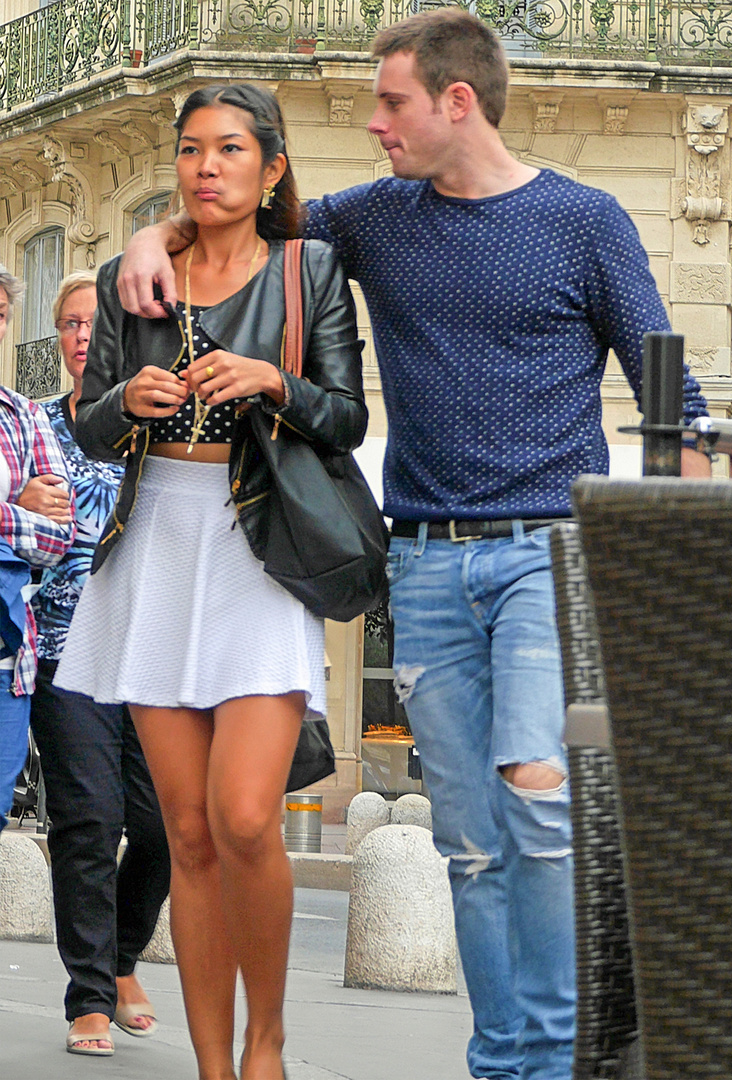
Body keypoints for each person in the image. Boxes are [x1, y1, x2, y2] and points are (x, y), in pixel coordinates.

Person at [116, 14, 712, 1079]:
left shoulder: (587, 220)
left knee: (537, 803)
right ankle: (507, 1063)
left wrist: (675, 531)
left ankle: (569, 1055)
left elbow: (663, 370)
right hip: (425, 560)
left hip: (552, 546)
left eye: (391, 103)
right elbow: (244, 212)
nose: (375, 123)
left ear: (456, 102)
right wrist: (142, 239)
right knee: (470, 844)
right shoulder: (373, 221)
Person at [55, 84, 365, 1080]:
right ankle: (214, 1067)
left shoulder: (309, 267)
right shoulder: (127, 278)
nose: (208, 166)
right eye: (191, 150)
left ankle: (266, 1043)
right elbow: (85, 423)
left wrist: (276, 382)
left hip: (258, 546)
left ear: (271, 166)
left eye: (230, 149)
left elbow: (348, 419)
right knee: (183, 831)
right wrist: (127, 403)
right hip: (155, 545)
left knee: (241, 816)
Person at [30, 271, 171, 1058]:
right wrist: (20, 502)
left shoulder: (157, 425)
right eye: (69, 324)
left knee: (162, 827)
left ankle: (121, 958)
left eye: (96, 322)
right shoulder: (32, 425)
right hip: (65, 650)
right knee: (90, 820)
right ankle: (89, 992)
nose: (83, 335)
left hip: (151, 652)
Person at [0, 266, 74, 833]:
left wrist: (20, 509)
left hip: (8, 662)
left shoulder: (25, 416)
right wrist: (15, 502)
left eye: (1, 314)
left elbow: (55, 537)